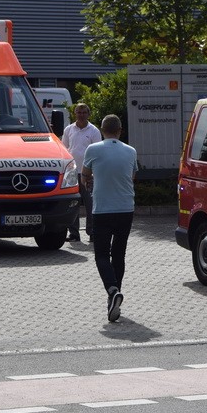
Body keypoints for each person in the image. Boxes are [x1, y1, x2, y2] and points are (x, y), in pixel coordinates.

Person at [82, 114, 138, 323]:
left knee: (101, 256)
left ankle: (112, 290)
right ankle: (115, 299)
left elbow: (85, 174)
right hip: (125, 209)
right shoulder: (130, 151)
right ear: (120, 130)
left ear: (102, 130)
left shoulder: (93, 149)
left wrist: (92, 179)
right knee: (119, 254)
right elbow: (131, 176)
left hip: (102, 210)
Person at [62, 102, 101, 241]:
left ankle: (92, 233)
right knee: (73, 204)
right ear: (75, 113)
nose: (81, 114)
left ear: (88, 114)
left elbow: (98, 152)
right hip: (72, 173)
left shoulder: (94, 131)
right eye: (79, 112)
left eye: (84, 112)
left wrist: (92, 172)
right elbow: (64, 149)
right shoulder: (68, 130)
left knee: (90, 204)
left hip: (89, 174)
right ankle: (74, 234)